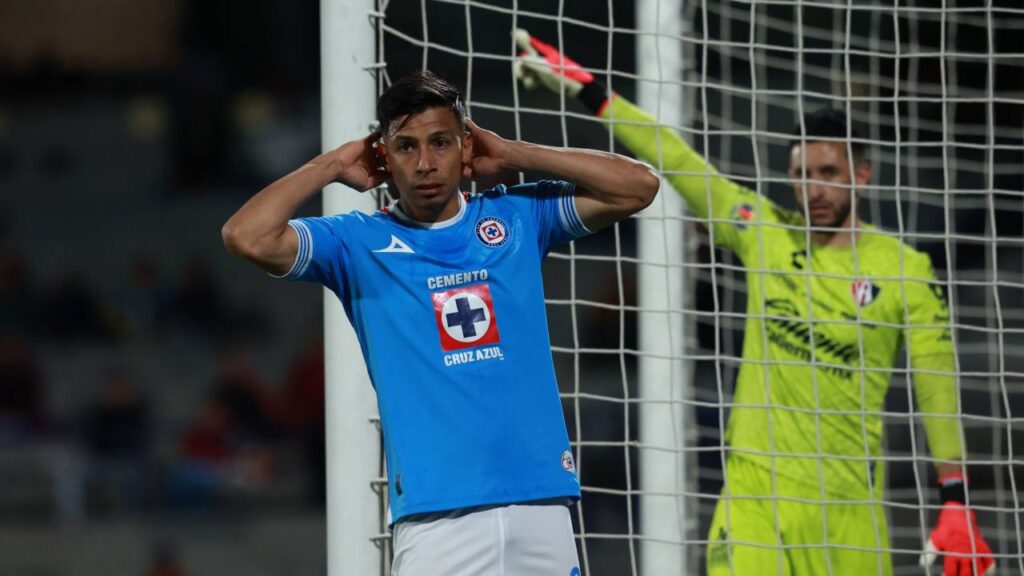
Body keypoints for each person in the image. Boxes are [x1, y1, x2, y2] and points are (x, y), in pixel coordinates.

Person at [513, 29, 994, 576]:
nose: (813, 189)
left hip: (847, 508)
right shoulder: (764, 232)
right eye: (801, 176)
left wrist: (954, 496)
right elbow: (675, 156)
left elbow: (937, 378)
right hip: (754, 499)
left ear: (862, 173)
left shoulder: (905, 270)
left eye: (828, 174)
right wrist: (589, 90)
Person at [222, 70, 658, 575]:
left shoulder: (517, 217)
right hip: (437, 522)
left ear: (464, 145)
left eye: (440, 143)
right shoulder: (356, 243)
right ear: (382, 156)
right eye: (405, 147)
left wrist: (511, 153)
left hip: (541, 505)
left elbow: (639, 187)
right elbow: (245, 235)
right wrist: (330, 164)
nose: (425, 163)